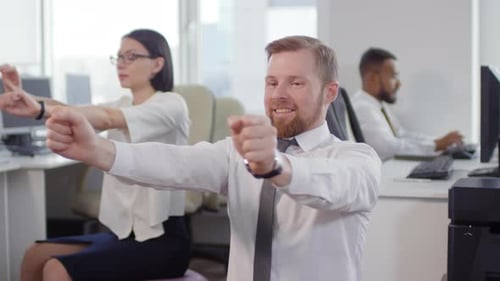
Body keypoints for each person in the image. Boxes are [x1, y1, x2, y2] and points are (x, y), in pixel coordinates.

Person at [43, 35, 381, 281]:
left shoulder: (356, 159)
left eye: (295, 83)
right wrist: (97, 151)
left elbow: (331, 184)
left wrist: (276, 166)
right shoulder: (237, 153)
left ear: (330, 92)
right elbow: (174, 163)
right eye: (272, 82)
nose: (278, 94)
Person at [0, 29, 191, 281]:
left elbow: (108, 118)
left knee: (56, 268)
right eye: (119, 57)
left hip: (163, 240)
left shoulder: (172, 104)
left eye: (131, 56)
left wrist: (40, 110)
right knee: (35, 254)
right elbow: (76, 110)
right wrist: (28, 98)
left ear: (157, 63)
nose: (121, 64)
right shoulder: (123, 103)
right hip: (123, 233)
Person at [351, 47, 464, 161]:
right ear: (373, 78)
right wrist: (436, 145)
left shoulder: (377, 105)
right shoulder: (363, 108)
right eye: (394, 76)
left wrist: (436, 141)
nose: (399, 84)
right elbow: (390, 148)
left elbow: (401, 134)